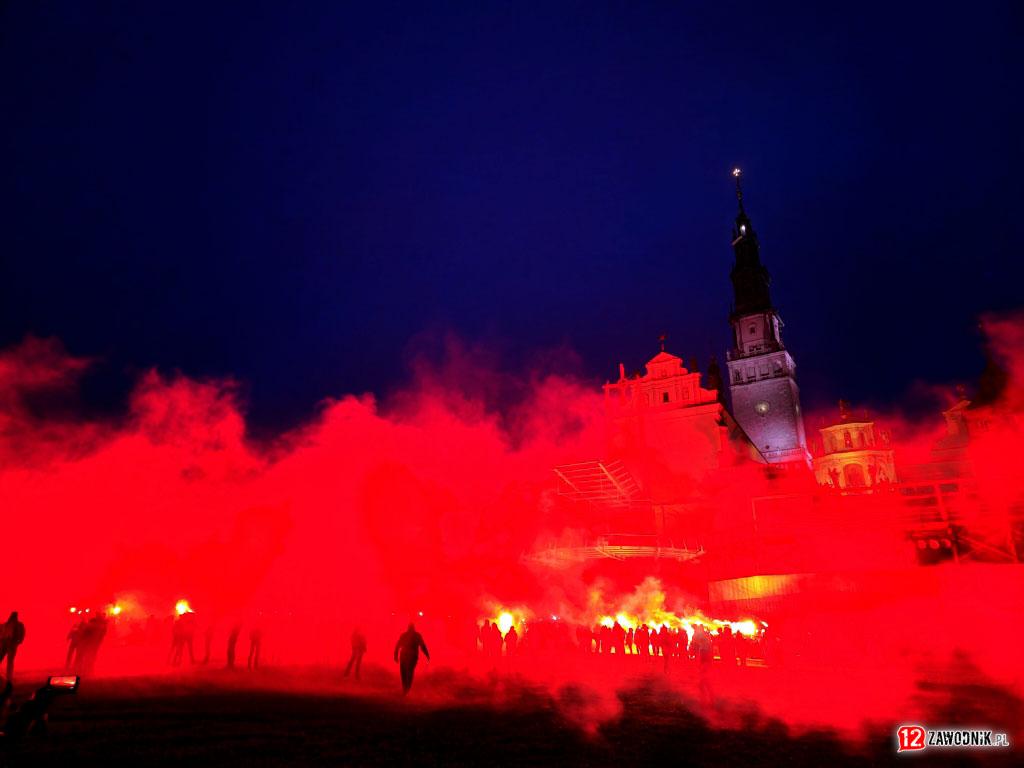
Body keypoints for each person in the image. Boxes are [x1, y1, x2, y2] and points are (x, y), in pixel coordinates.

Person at [393, 622, 430, 695]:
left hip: (407, 657)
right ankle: (406, 689)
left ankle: (406, 689)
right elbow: (422, 646)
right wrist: (427, 655)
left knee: (405, 673)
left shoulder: (406, 635)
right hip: (410, 657)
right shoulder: (416, 635)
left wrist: (396, 655)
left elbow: (397, 646)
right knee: (408, 673)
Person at [0, 612, 26, 681]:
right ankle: (8, 676)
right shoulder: (5, 624)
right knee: (3, 659)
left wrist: (19, 641)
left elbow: (22, 633)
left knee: (10, 661)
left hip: (12, 644)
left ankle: (9, 677)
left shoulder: (19, 625)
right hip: (4, 643)